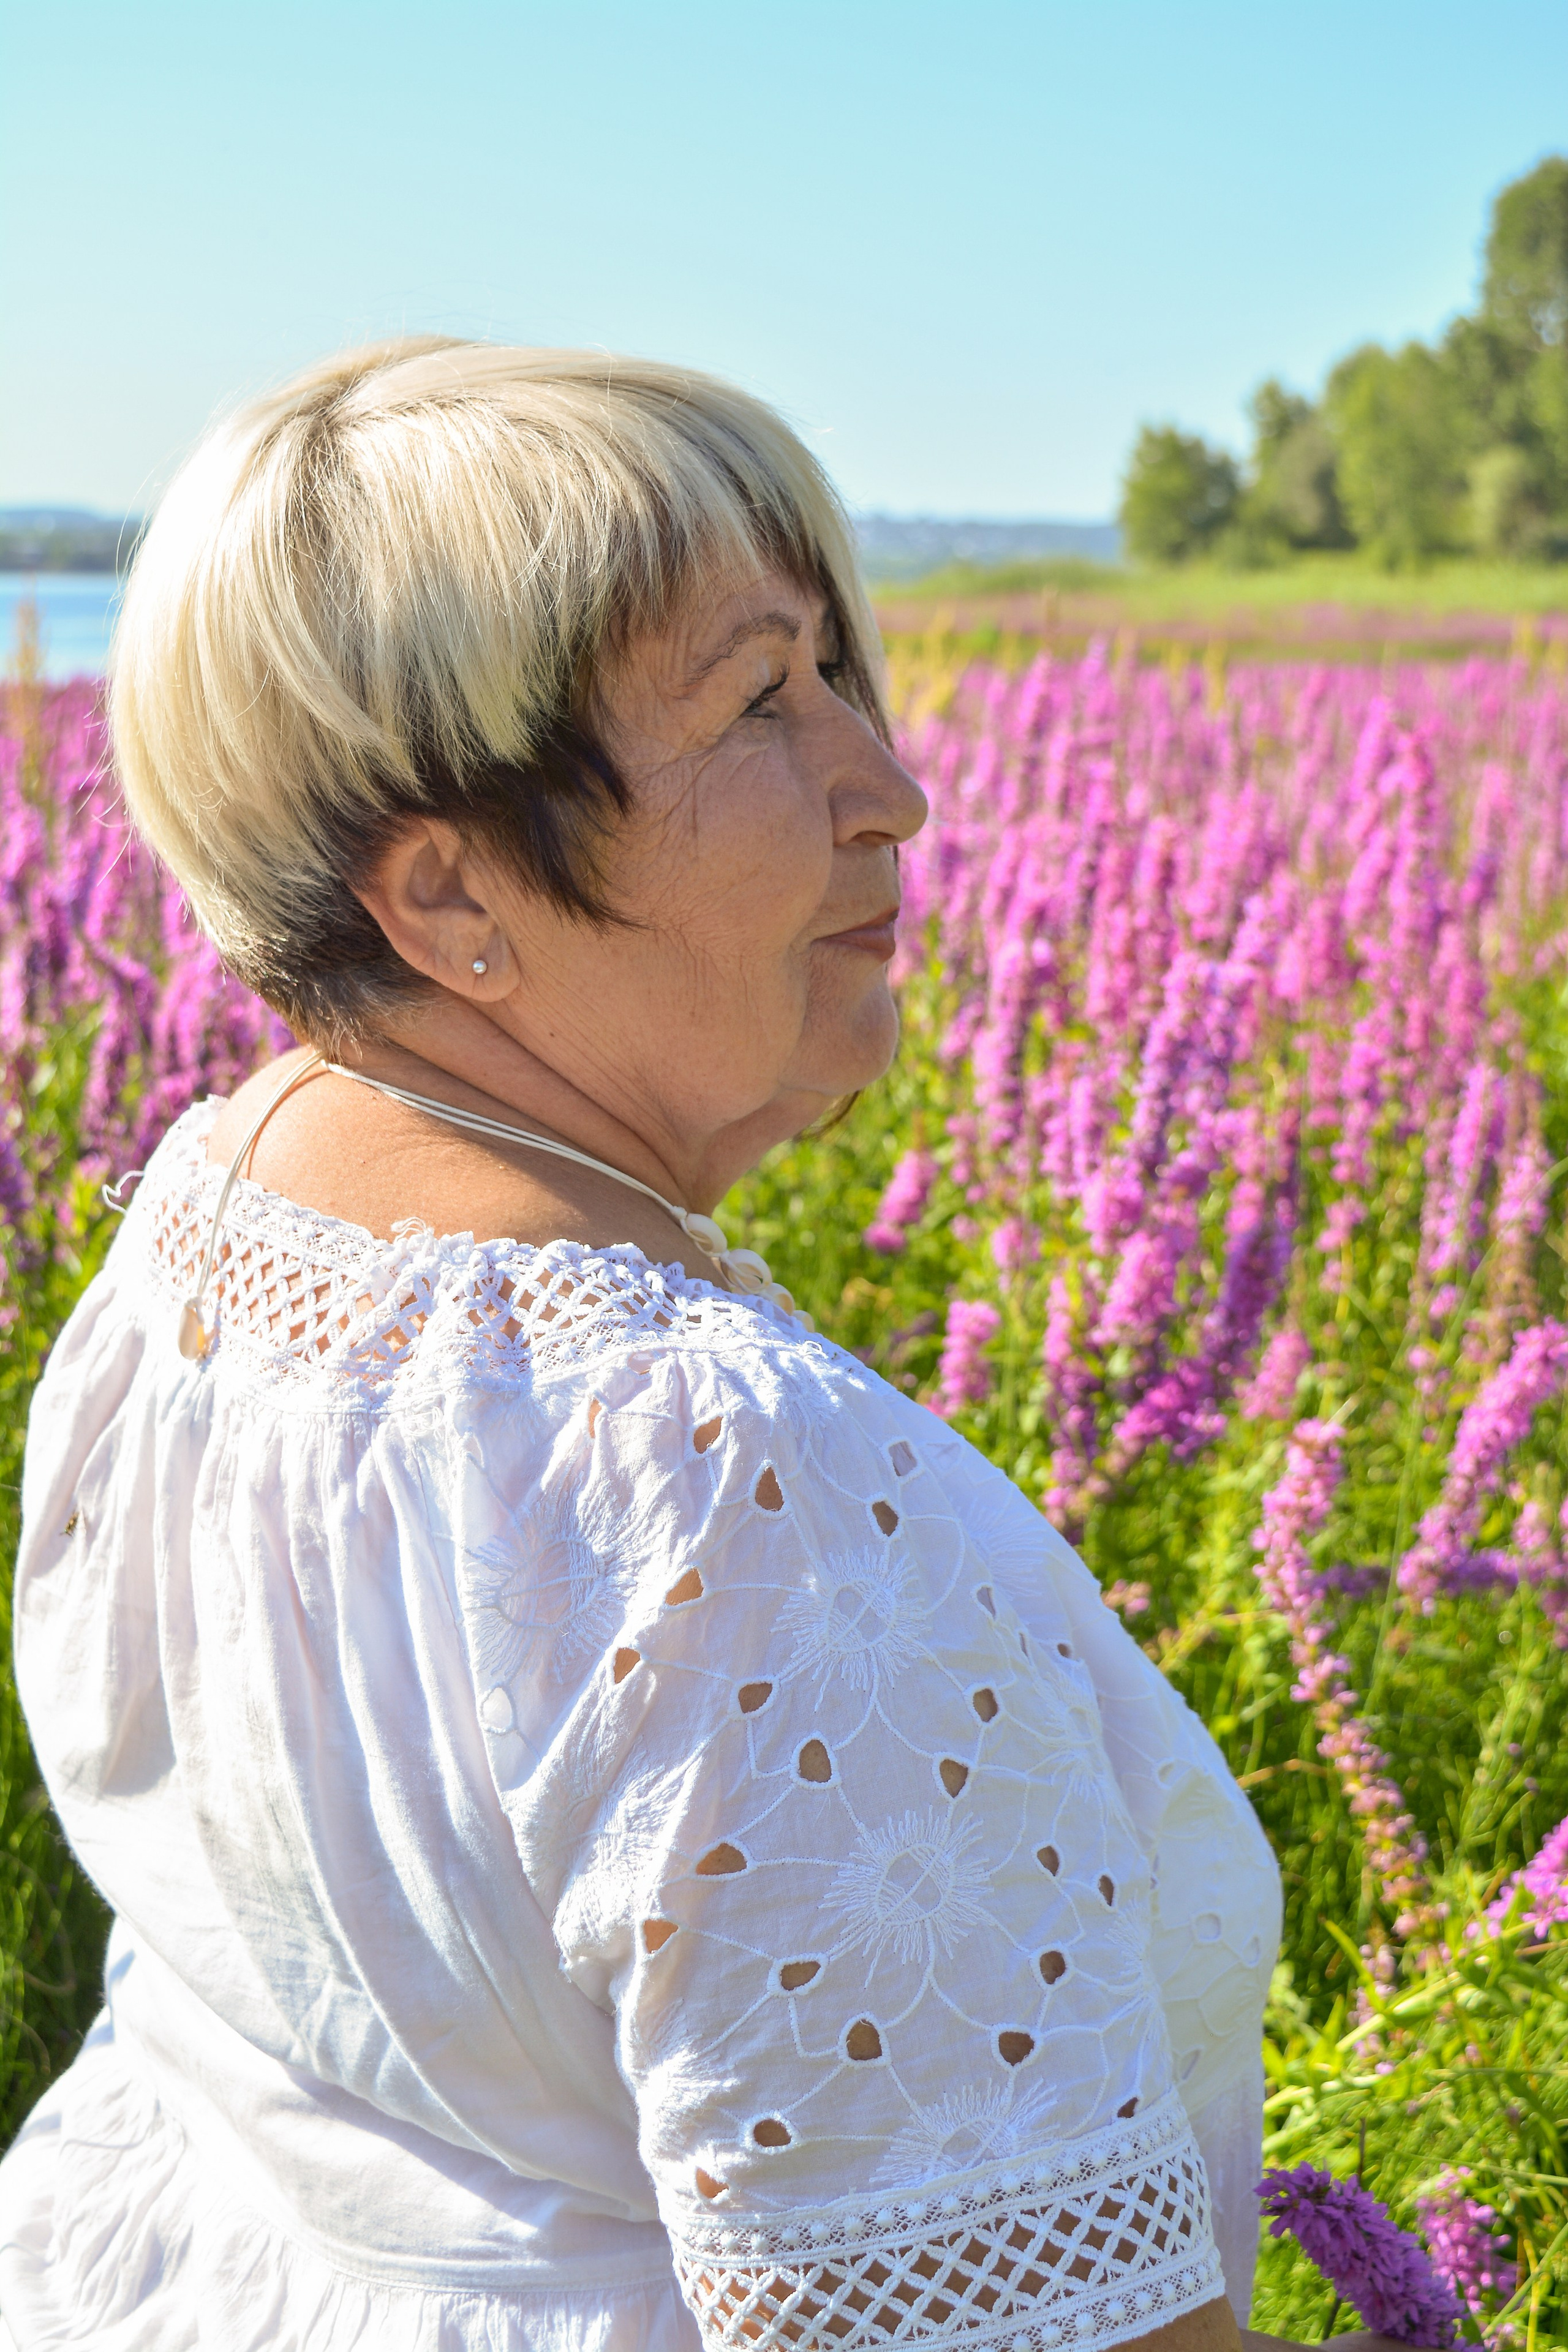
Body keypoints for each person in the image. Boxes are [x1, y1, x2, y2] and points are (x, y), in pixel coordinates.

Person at [0, 341, 1352, 2352]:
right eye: (754, 702)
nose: (890, 793)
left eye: (836, 673)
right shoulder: (735, 1489)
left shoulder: (218, 1214)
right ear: (451, 889)